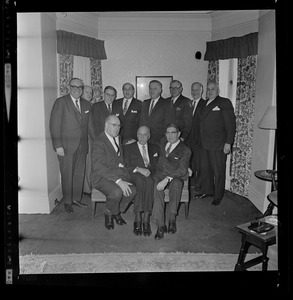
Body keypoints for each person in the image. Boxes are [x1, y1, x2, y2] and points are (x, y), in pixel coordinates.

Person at [49, 77, 90, 213]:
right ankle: (67, 202)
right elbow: (54, 125)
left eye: (80, 88)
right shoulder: (61, 102)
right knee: (67, 174)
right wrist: (58, 145)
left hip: (82, 145)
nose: (77, 90)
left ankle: (76, 199)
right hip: (66, 146)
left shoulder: (86, 104)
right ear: (69, 87)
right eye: (74, 87)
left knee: (79, 174)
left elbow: (89, 126)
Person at [90, 115, 137, 230]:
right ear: (106, 126)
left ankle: (114, 211)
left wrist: (121, 165)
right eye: (114, 125)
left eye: (119, 126)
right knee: (117, 192)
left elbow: (116, 155)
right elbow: (98, 166)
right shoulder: (99, 142)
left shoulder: (118, 137)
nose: (117, 128)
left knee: (133, 191)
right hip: (100, 176)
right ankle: (110, 214)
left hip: (115, 173)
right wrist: (119, 181)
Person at [198, 81, 236, 206]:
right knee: (206, 170)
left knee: (218, 171)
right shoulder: (204, 103)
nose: (210, 91)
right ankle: (208, 191)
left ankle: (218, 196)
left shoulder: (224, 102)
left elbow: (231, 125)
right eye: (208, 89)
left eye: (212, 89)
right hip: (204, 144)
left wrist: (228, 143)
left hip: (218, 144)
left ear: (218, 90)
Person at [151, 123, 191, 240]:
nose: (170, 135)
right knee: (157, 189)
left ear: (179, 134)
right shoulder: (163, 141)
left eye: (173, 132)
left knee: (177, 184)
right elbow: (150, 142)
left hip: (175, 176)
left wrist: (167, 179)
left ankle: (172, 219)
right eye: (167, 132)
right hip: (159, 174)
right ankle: (160, 225)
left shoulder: (185, 150)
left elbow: (182, 170)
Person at [124, 126, 160, 236]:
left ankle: (146, 219)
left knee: (149, 182)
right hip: (134, 174)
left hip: (149, 175)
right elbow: (125, 165)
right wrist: (139, 169)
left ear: (149, 136)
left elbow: (159, 165)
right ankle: (137, 217)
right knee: (140, 180)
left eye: (145, 134)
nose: (142, 137)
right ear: (136, 135)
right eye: (140, 134)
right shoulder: (129, 148)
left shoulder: (155, 148)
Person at [185, 82, 206, 198]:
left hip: (199, 141)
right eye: (193, 90)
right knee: (190, 163)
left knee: (199, 165)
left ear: (201, 90)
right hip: (188, 140)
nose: (194, 92)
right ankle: (192, 185)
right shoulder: (189, 103)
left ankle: (200, 187)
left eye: (197, 90)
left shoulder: (205, 104)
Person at [140, 80, 173, 146]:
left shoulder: (166, 103)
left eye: (155, 89)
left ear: (160, 90)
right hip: (144, 140)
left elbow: (168, 124)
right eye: (150, 88)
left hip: (159, 141)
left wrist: (164, 141)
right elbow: (141, 122)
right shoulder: (145, 103)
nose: (152, 91)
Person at [82, 85, 94, 195]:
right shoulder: (82, 105)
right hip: (85, 138)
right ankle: (86, 189)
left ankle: (89, 186)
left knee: (90, 163)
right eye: (87, 92)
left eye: (91, 92)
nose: (89, 95)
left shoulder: (90, 105)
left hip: (90, 138)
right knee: (86, 163)